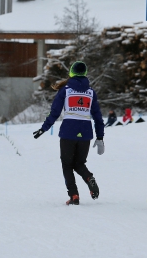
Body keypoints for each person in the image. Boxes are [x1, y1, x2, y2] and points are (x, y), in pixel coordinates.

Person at [33, 61, 105, 205]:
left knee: (67, 165)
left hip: (68, 132)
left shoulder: (66, 90)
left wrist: (44, 128)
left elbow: (55, 112)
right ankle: (89, 178)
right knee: (79, 164)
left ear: (71, 73)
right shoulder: (91, 92)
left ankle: (74, 196)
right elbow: (97, 116)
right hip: (85, 133)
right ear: (85, 74)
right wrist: (100, 137)